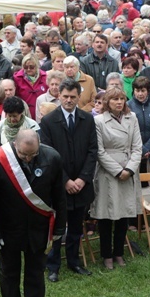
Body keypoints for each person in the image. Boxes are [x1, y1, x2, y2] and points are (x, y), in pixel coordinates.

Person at [0, 129, 66, 297]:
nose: (29, 158)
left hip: (39, 227)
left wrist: (59, 226)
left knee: (36, 272)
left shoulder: (52, 157)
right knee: (9, 273)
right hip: (9, 228)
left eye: (33, 154)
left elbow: (59, 196)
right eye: (24, 155)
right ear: (15, 145)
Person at [40, 80, 97, 281]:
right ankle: (53, 265)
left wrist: (82, 179)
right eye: (65, 96)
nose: (69, 100)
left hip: (81, 185)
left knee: (75, 227)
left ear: (79, 96)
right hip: (59, 186)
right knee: (57, 228)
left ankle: (74, 261)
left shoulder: (87, 119)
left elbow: (92, 151)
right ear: (59, 96)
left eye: (73, 97)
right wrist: (65, 181)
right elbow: (46, 154)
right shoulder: (48, 121)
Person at [90, 88, 142, 270]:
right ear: (107, 102)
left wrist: (129, 168)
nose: (119, 102)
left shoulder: (132, 117)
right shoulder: (98, 121)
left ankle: (119, 252)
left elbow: (137, 147)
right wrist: (117, 170)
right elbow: (99, 151)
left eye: (121, 99)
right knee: (106, 214)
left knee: (124, 214)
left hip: (129, 168)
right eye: (114, 99)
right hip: (108, 172)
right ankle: (106, 255)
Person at [127, 76, 150, 172]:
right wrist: (141, 149)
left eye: (143, 90)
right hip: (134, 151)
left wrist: (148, 148)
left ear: (148, 91)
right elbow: (128, 131)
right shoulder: (128, 106)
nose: (140, 94)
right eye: (137, 91)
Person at [12, 54, 48, 120]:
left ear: (37, 66)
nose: (28, 69)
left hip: (41, 114)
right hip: (23, 114)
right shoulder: (17, 78)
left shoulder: (45, 77)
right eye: (25, 67)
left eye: (31, 67)